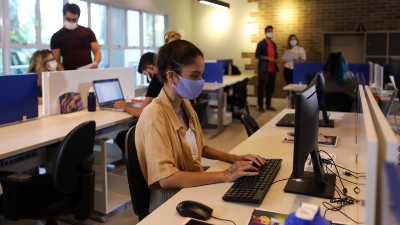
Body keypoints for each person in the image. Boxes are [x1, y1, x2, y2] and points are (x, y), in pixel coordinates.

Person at [135, 39, 266, 210]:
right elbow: (166, 178)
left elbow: (200, 148)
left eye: (201, 75)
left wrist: (235, 158)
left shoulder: (184, 104)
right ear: (172, 76)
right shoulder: (154, 116)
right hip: (172, 202)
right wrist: (225, 174)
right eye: (195, 76)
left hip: (191, 187)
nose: (200, 81)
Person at [50, 3, 101, 71]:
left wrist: (95, 63)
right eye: (68, 19)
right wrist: (65, 74)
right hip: (68, 73)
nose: (71, 22)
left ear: (78, 18)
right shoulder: (56, 37)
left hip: (88, 71)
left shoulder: (88, 32)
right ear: (64, 16)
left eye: (74, 20)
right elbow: (57, 61)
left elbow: (97, 51)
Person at [255, 25, 278, 112]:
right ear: (265, 33)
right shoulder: (261, 43)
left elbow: (275, 55)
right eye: (269, 31)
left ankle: (268, 105)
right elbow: (257, 55)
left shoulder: (273, 44)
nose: (270, 32)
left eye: (271, 31)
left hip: (273, 69)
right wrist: (268, 58)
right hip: (263, 69)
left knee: (270, 88)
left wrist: (275, 59)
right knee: (262, 88)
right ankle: (260, 106)